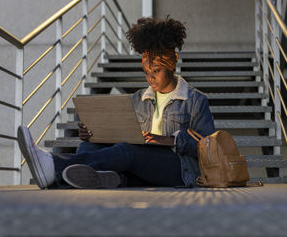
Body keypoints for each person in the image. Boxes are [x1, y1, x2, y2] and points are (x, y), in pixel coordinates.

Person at [17, 16, 216, 189]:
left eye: (156, 71)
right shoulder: (138, 99)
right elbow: (122, 137)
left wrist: (169, 140)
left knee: (128, 151)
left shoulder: (195, 100)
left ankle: (53, 166)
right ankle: (110, 179)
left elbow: (208, 150)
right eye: (146, 72)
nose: (150, 78)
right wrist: (94, 134)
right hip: (141, 167)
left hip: (180, 170)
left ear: (171, 66)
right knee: (88, 148)